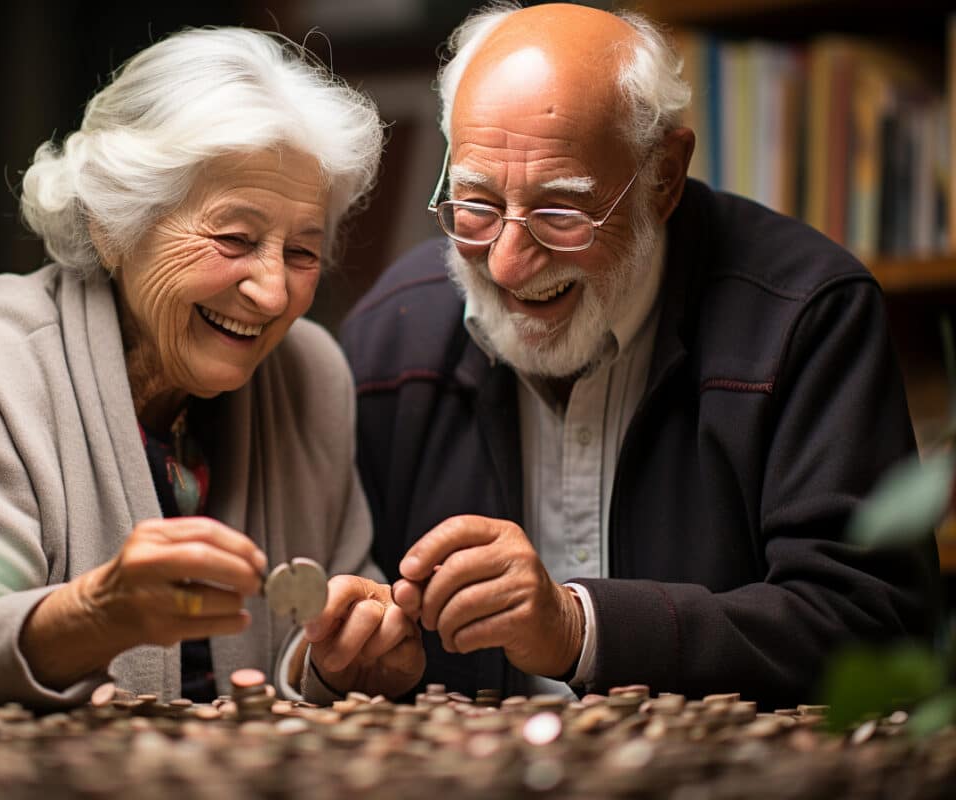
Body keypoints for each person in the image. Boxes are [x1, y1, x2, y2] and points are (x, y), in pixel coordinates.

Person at [339, 2, 940, 708]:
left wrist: (580, 628)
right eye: (476, 203)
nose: (505, 264)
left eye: (560, 214)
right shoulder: (391, 334)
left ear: (663, 178)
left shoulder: (806, 316)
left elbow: (878, 635)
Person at [0, 26, 423, 710]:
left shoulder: (311, 374)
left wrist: (356, 655)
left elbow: (324, 648)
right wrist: (91, 616)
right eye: (235, 238)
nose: (273, 292)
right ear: (114, 225)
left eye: (302, 252)